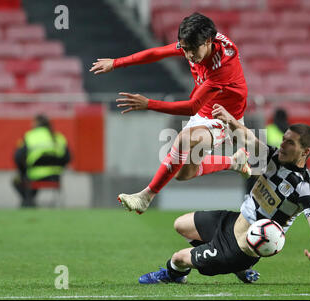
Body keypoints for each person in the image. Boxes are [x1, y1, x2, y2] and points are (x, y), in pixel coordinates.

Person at [137, 104, 310, 284]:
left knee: (178, 259)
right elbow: (248, 139)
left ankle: (174, 275)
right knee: (180, 224)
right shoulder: (273, 156)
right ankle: (230, 264)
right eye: (284, 139)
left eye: (290, 143)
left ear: (305, 151)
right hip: (232, 221)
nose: (283, 144)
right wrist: (229, 119)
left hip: (243, 248)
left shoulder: (304, 186)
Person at [89, 12, 250, 214]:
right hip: (205, 109)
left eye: (193, 50)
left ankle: (145, 197)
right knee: (183, 173)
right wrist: (116, 62)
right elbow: (158, 53)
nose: (189, 55)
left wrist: (149, 104)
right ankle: (234, 162)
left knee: (184, 139)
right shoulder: (194, 42)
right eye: (185, 49)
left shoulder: (222, 66)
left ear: (208, 41)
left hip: (225, 116)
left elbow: (191, 107)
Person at [13, 114, 71, 207]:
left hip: (34, 176)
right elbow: (68, 158)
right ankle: (30, 200)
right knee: (26, 181)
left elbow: (18, 157)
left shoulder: (30, 137)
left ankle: (28, 201)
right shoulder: (59, 138)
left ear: (36, 124)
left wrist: (23, 172)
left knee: (16, 180)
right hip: (55, 177)